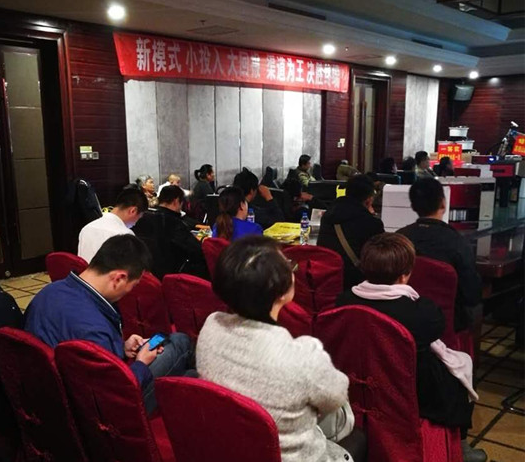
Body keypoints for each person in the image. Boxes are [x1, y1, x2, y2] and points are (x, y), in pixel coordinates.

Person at [197, 236, 366, 462]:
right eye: (287, 265)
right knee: (357, 436)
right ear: (282, 291)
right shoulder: (304, 355)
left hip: (234, 447)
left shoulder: (210, 326)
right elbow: (336, 397)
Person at [336, 233, 486, 462]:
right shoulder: (422, 313)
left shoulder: (343, 301)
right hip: (412, 390)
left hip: (358, 382)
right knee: (460, 371)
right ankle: (461, 445)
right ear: (405, 274)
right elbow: (436, 333)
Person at [25, 234, 194, 413]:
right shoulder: (95, 328)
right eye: (133, 286)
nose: (129, 292)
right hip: (93, 409)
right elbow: (114, 394)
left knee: (187, 374)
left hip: (46, 395)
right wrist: (141, 363)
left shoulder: (47, 292)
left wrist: (120, 347)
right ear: (118, 278)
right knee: (180, 342)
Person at [397, 178, 481, 332]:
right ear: (443, 203)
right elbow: (472, 295)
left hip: (403, 321)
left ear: (413, 206)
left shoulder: (398, 239)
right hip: (446, 326)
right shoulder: (458, 242)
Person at [317, 175, 384, 288]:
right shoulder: (372, 224)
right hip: (357, 283)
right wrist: (371, 215)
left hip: (327, 279)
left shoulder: (328, 216)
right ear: (368, 200)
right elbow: (380, 259)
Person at [133, 185, 208, 279]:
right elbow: (197, 249)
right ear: (176, 201)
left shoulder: (144, 217)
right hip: (173, 275)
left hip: (148, 272)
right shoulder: (173, 222)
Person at [78, 187, 148, 263]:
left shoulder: (87, 228)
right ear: (133, 211)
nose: (135, 223)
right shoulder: (125, 235)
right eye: (139, 217)